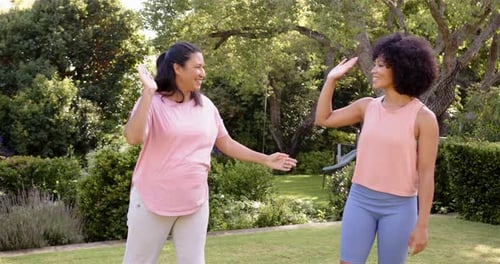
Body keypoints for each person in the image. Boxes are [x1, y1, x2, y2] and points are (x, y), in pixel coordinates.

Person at [123, 41, 297, 264]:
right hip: (152, 200)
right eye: (197, 67)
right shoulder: (153, 103)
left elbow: (227, 143)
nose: (202, 73)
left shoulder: (206, 106)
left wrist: (265, 159)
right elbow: (133, 137)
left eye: (203, 67)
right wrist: (148, 92)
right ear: (178, 68)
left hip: (194, 201)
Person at [315, 32, 439, 263]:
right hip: (360, 199)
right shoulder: (366, 107)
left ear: (401, 68)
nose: (374, 70)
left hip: (400, 207)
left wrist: (422, 225)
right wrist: (331, 80)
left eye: (381, 65)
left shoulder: (424, 118)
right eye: (375, 64)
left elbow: (426, 174)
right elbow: (324, 118)